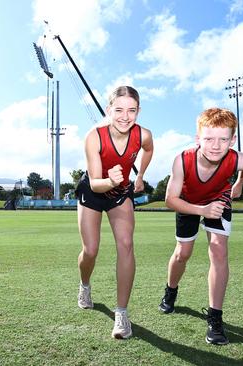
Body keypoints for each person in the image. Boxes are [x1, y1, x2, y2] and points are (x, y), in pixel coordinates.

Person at [158, 107, 243, 345]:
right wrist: (201, 210)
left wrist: (240, 182)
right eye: (209, 138)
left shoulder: (236, 159)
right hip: (188, 202)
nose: (215, 145)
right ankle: (171, 290)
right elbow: (170, 200)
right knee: (183, 253)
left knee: (219, 249)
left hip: (219, 198)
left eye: (223, 139)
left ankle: (215, 318)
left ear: (233, 140)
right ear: (197, 138)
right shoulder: (182, 160)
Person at [75, 86, 154, 339]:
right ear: (109, 110)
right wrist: (110, 180)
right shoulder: (94, 137)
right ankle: (85, 286)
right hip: (94, 190)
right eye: (118, 109)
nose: (124, 116)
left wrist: (140, 175)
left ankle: (121, 314)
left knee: (126, 244)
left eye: (131, 110)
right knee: (91, 250)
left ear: (138, 111)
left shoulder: (143, 135)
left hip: (120, 194)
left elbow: (149, 150)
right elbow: (97, 181)